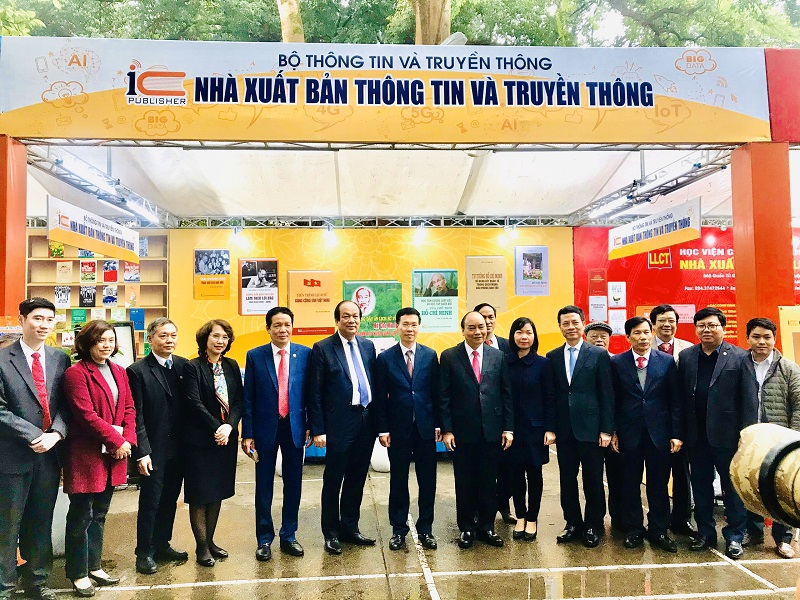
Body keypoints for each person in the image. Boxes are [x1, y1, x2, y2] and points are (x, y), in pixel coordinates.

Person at [0, 298, 71, 600]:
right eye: (37, 318)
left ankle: (38, 582)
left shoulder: (61, 359)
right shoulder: (2, 359)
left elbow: (67, 405)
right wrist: (33, 434)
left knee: (41, 522)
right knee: (7, 524)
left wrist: (56, 434)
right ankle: (4, 587)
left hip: (48, 456)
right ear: (22, 320)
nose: (43, 325)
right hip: (12, 456)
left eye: (49, 319)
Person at [63, 320, 136, 597]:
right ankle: (78, 573)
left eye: (110, 340)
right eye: (100, 340)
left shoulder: (119, 370)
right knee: (81, 515)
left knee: (101, 514)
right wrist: (117, 440)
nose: (106, 345)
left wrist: (127, 441)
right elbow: (85, 415)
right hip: (86, 454)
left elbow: (129, 407)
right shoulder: (76, 373)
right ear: (87, 343)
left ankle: (94, 566)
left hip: (114, 454)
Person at [679, 307, 758, 559]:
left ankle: (735, 536)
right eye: (701, 325)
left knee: (732, 489)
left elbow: (749, 400)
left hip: (728, 437)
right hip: (696, 436)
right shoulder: (687, 356)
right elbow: (681, 398)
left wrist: (746, 435)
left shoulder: (740, 357)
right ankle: (705, 533)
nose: (707, 330)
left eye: (712, 325)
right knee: (701, 487)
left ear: (723, 328)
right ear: (696, 329)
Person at [437, 311, 513, 549]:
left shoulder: (498, 356)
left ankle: (487, 527)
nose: (478, 331)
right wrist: (447, 430)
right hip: (462, 433)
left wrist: (508, 428)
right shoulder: (449, 356)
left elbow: (506, 394)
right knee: (465, 482)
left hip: (492, 431)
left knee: (489, 482)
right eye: (472, 327)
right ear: (463, 330)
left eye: (481, 327)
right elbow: (444, 396)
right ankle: (467, 528)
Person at [307, 301, 377, 555]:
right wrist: (318, 429)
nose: (351, 320)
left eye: (355, 316)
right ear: (337, 320)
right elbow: (314, 393)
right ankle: (331, 533)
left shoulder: (368, 346)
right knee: (334, 479)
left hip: (366, 421)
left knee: (357, 478)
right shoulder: (323, 348)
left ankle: (350, 527)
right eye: (346, 316)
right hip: (338, 424)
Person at [242, 307, 311, 561]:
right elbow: (248, 397)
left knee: (293, 484)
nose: (283, 330)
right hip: (265, 429)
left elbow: (311, 393)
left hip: (295, 428)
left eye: (287, 324)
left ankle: (289, 535)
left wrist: (311, 425)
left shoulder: (305, 354)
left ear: (292, 326)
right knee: (264, 486)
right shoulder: (255, 356)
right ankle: (264, 539)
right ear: (268, 328)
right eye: (277, 325)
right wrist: (247, 433)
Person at [610, 316, 682, 553]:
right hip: (628, 433)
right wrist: (614, 431)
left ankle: (659, 530)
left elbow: (675, 400)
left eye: (646, 332)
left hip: (659, 434)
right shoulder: (617, 363)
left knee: (658, 484)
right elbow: (613, 400)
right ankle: (634, 530)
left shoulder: (667, 361)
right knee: (629, 484)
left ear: (652, 334)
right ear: (628, 337)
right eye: (637, 333)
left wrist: (676, 433)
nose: (642, 337)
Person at [546, 305, 613, 549]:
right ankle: (572, 523)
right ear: (560, 327)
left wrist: (606, 429)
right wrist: (551, 427)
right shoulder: (552, 356)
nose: (571, 327)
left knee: (593, 479)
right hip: (565, 430)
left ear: (583, 324)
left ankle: (593, 525)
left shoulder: (598, 354)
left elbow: (607, 394)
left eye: (575, 322)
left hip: (592, 429)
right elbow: (551, 396)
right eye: (565, 323)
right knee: (567, 479)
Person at [374, 307, 440, 551]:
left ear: (419, 327)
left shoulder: (430, 355)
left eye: (414, 324)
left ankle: (426, 528)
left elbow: (436, 393)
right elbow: (380, 397)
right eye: (405, 324)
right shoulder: (385, 358)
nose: (410, 329)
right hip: (398, 430)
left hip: (425, 429)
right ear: (397, 327)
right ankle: (398, 529)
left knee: (428, 481)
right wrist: (383, 429)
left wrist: (438, 424)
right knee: (399, 481)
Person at [127, 318, 188, 575]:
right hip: (153, 450)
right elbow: (136, 415)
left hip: (180, 448)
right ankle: (144, 552)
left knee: (170, 499)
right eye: (163, 335)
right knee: (150, 501)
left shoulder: (184, 366)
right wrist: (142, 451)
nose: (169, 340)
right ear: (150, 339)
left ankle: (162, 544)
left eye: (173, 335)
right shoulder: (137, 371)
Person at [182, 320, 243, 567]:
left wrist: (229, 426)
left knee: (217, 492)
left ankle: (210, 541)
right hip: (200, 441)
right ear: (205, 339)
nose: (220, 341)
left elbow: (238, 400)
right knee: (200, 494)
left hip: (225, 439)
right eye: (216, 336)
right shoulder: (192, 367)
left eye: (225, 337)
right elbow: (193, 403)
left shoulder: (231, 365)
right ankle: (201, 547)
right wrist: (217, 427)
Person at [742, 317, 800, 558]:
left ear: (774, 339)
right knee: (751, 485)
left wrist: (793, 439)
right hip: (750, 440)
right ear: (748, 338)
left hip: (780, 442)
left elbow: (798, 405)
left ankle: (783, 539)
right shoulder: (740, 364)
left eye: (767, 337)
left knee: (781, 489)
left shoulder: (788, 368)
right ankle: (753, 532)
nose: (761, 342)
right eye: (756, 336)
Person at [505, 317, 556, 542]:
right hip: (511, 430)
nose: (524, 337)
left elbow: (550, 398)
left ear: (534, 336)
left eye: (528, 332)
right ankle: (521, 516)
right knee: (515, 474)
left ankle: (533, 518)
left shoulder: (543, 364)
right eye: (519, 332)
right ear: (513, 336)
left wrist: (550, 428)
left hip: (536, 430)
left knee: (534, 475)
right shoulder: (504, 362)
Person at [649, 303, 695, 537]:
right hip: (653, 423)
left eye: (671, 321)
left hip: (681, 422)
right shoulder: (644, 347)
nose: (667, 325)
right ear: (653, 324)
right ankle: (658, 520)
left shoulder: (688, 350)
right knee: (657, 475)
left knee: (681, 473)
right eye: (662, 321)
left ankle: (682, 519)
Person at [473, 302, 514, 524]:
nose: (487, 322)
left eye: (490, 317)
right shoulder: (467, 348)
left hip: (503, 418)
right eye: (482, 317)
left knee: (505, 468)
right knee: (482, 470)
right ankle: (479, 509)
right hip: (479, 421)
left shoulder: (508, 346)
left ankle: (504, 506)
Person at [583, 321, 624, 531]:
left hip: (617, 433)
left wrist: (615, 429)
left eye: (604, 336)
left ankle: (619, 519)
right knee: (594, 479)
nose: (599, 340)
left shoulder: (618, 363)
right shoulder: (584, 363)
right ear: (586, 338)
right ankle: (595, 522)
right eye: (594, 336)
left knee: (618, 478)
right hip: (591, 432)